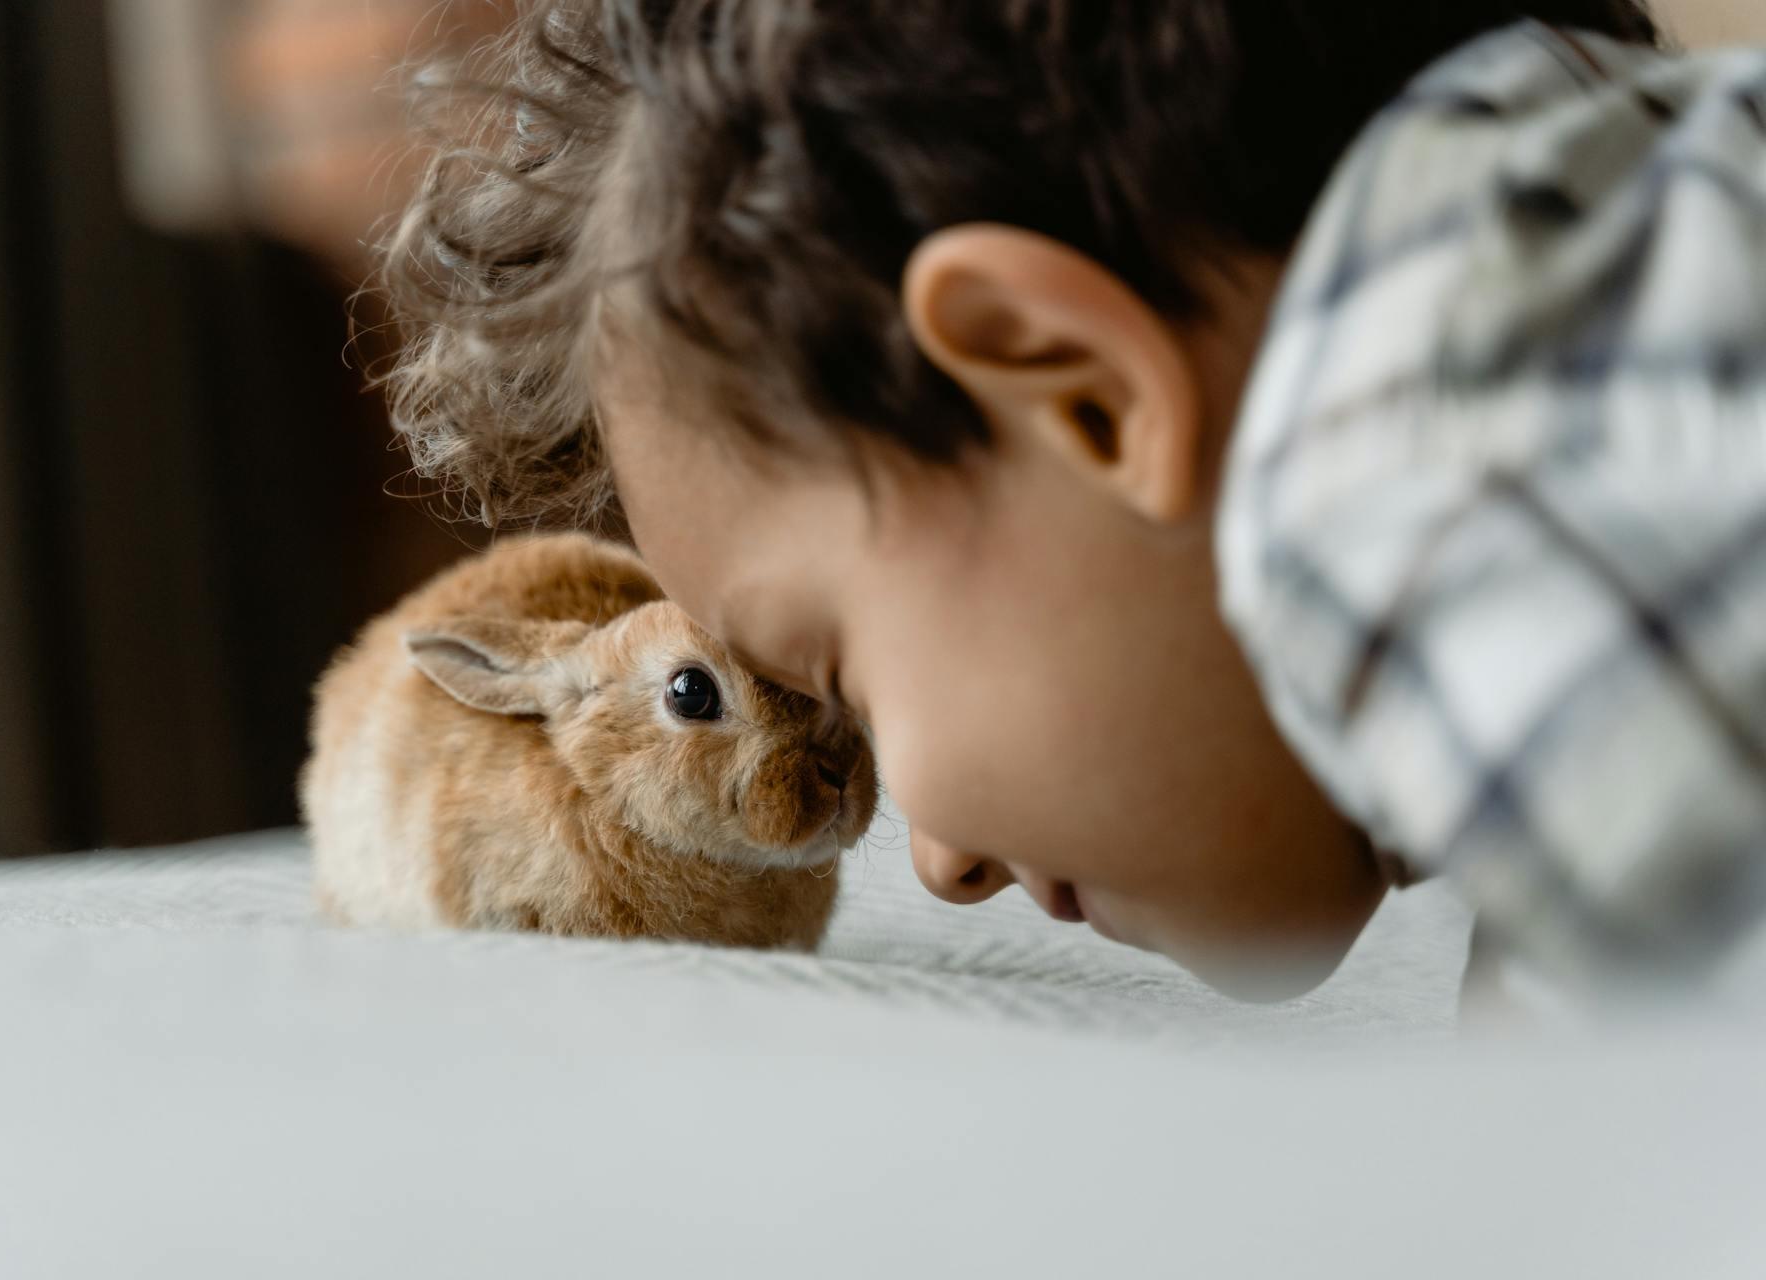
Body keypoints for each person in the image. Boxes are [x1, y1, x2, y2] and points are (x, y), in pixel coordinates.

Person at [380, 0, 1766, 1006]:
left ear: (1084, 394)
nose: (938, 860)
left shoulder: (1415, 468)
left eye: (839, 675)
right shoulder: (1595, 185)